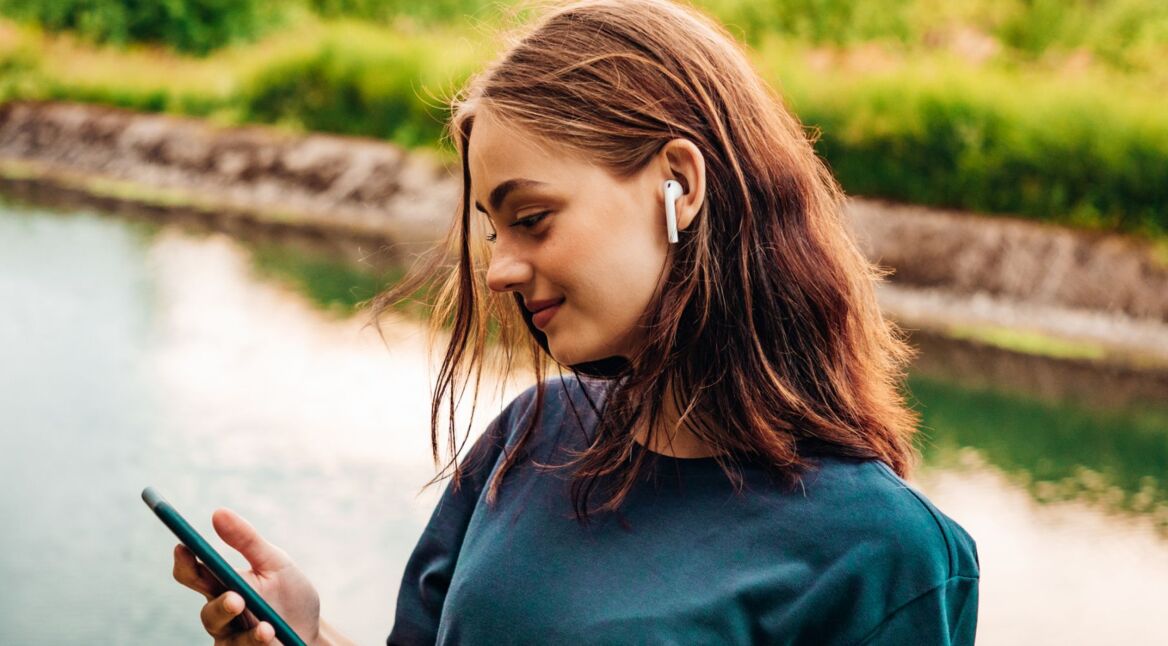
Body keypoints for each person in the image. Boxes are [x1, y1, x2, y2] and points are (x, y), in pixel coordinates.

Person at [171, 0, 980, 643]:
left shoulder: (889, 554)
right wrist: (305, 636)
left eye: (533, 217)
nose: (499, 269)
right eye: (495, 229)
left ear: (679, 183)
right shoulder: (532, 435)